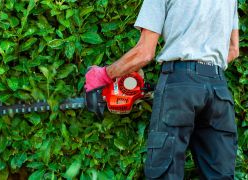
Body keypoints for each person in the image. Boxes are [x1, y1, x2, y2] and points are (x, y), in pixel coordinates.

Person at [84, 0, 239, 179]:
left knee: (165, 173)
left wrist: (104, 75)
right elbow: (233, 50)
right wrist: (201, 75)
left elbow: (144, 52)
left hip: (179, 82)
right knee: (220, 174)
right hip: (218, 88)